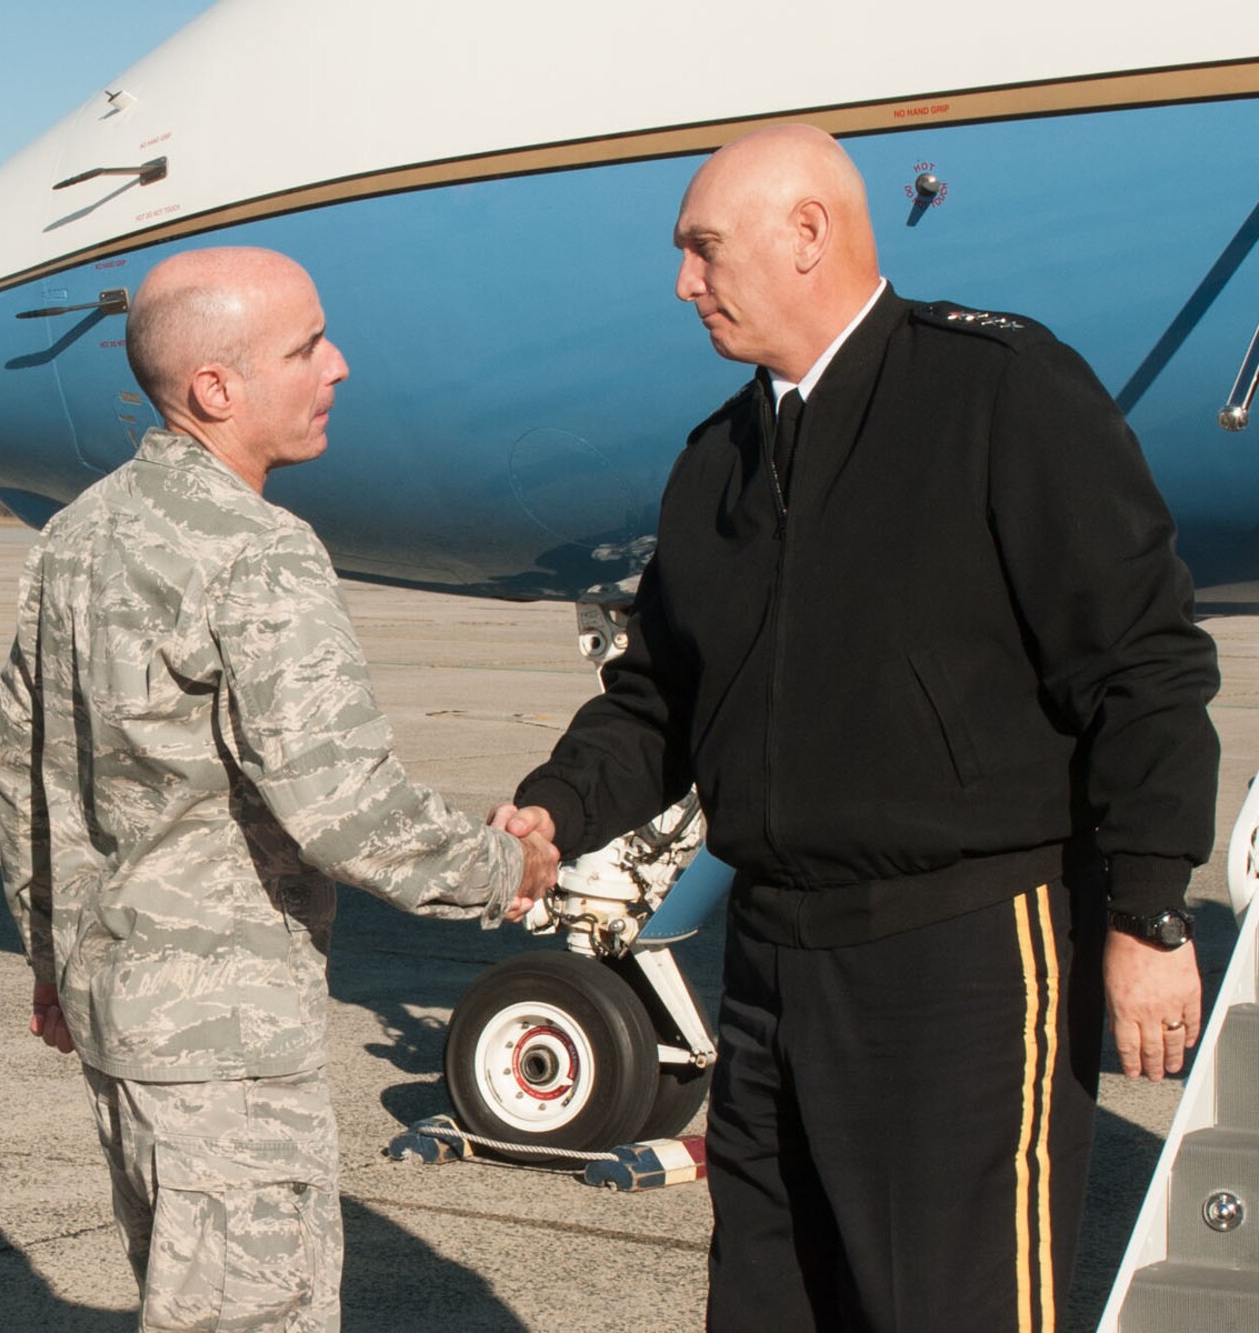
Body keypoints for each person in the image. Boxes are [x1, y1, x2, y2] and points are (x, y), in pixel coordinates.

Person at [493, 125, 1219, 1332]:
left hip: (961, 951)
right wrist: (552, 810)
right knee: (769, 1301)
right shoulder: (715, 461)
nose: (682, 282)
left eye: (702, 248)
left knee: (951, 1305)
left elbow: (1140, 662)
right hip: (773, 960)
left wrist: (1148, 909)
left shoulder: (996, 391)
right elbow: (659, 696)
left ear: (806, 234)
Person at [0, 246, 559, 1332]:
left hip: (125, 1022)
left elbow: (27, 777)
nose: (337, 366)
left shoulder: (77, 536)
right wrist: (507, 868)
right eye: (306, 347)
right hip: (227, 1046)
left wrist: (53, 963)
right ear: (216, 388)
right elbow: (345, 807)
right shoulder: (258, 552)